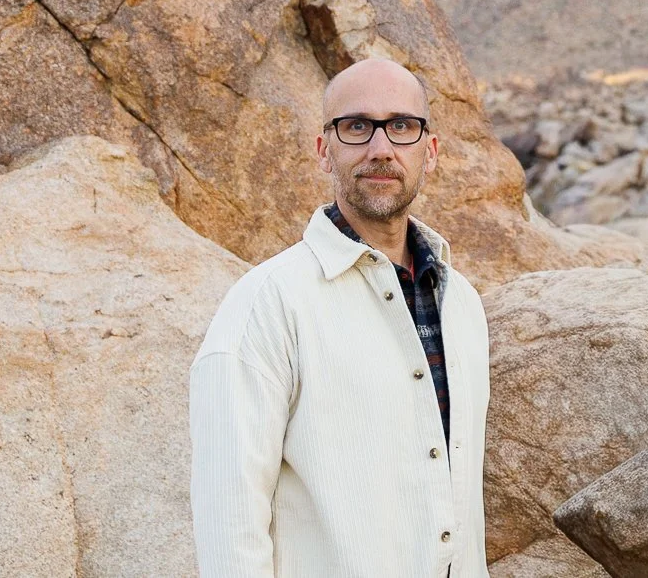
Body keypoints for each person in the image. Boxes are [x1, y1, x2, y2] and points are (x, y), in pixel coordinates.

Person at [189, 58, 491, 577]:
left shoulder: (460, 301)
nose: (380, 149)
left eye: (401, 127)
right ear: (324, 150)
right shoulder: (267, 302)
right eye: (356, 128)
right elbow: (229, 521)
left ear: (431, 151)